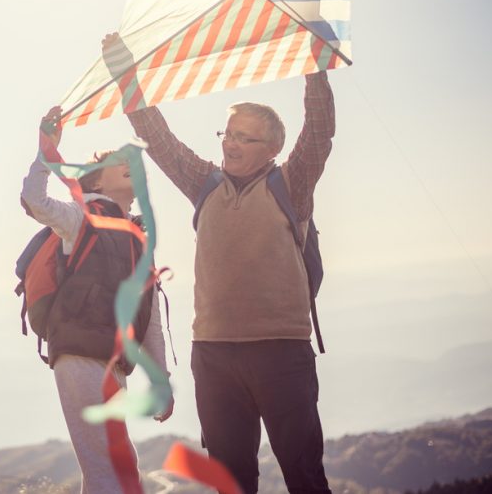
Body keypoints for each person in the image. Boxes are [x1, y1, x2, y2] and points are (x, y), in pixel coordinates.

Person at [105, 29, 335, 494]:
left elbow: (318, 137)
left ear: (271, 150)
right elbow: (156, 134)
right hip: (212, 355)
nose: (230, 144)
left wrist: (315, 68)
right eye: (228, 133)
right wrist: (124, 74)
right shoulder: (204, 183)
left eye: (245, 139)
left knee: (304, 477)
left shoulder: (290, 185)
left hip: (281, 352)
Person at [20, 105, 173, 494]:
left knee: (109, 467)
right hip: (79, 355)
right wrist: (46, 152)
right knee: (110, 467)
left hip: (112, 362)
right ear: (98, 185)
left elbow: (150, 316)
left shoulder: (140, 241)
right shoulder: (80, 219)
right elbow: (35, 201)